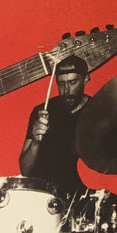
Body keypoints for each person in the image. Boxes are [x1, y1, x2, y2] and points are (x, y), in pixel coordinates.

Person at [19, 52, 90, 197]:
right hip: (43, 196)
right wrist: (36, 142)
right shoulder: (43, 111)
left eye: (73, 82)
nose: (66, 91)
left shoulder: (99, 111)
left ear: (86, 79)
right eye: (61, 83)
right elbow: (25, 170)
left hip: (80, 197)